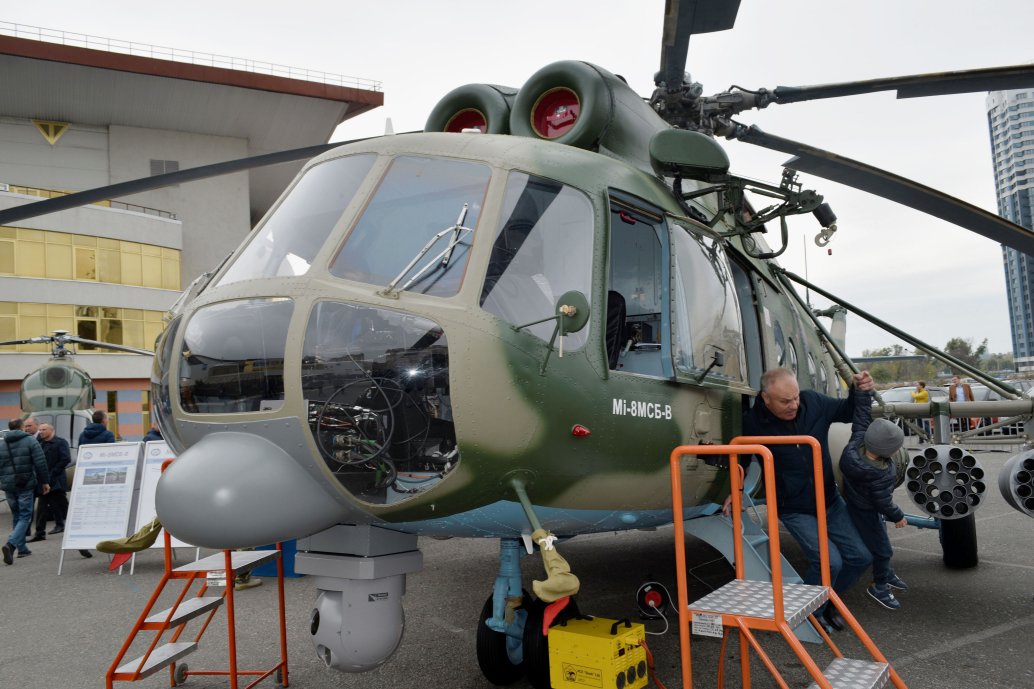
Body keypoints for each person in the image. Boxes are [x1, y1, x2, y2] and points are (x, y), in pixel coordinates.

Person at [728, 367, 874, 633]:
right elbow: (742, 457)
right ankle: (808, 614)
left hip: (829, 500)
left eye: (795, 397)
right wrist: (736, 490)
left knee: (860, 557)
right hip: (794, 507)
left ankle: (823, 603)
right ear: (765, 398)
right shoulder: (753, 422)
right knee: (830, 562)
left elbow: (847, 409)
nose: (794, 405)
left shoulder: (813, 401)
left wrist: (859, 390)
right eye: (785, 401)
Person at [839, 390, 910, 611]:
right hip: (868, 511)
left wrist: (862, 392)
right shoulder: (878, 473)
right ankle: (879, 585)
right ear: (886, 452)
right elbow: (883, 502)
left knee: (879, 540)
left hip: (856, 502)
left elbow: (861, 416)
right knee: (882, 549)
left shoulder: (857, 442)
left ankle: (887, 573)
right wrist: (898, 516)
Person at [1, 418, 50, 564]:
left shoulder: (2, 443)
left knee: (17, 514)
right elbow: (40, 462)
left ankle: (21, 548)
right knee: (25, 516)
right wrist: (45, 481)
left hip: (8, 485)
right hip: (25, 483)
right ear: (22, 427)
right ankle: (10, 544)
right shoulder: (29, 441)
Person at [33, 423, 71, 538]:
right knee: (43, 506)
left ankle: (60, 525)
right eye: (39, 430)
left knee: (58, 504)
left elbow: (65, 459)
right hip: (44, 480)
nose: (41, 432)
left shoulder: (60, 442)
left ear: (51, 430)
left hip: (56, 479)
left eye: (44, 429)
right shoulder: (39, 443)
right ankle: (41, 532)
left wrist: (53, 473)